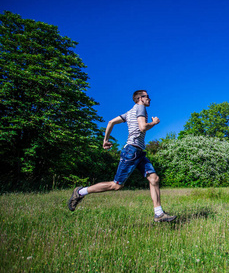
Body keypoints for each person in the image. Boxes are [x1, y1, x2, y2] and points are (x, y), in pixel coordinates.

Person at [68, 90, 176, 222]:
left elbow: (110, 122)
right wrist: (154, 122)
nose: (150, 99)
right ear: (140, 98)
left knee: (154, 179)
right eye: (147, 97)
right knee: (116, 185)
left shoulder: (130, 112)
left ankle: (159, 214)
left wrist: (105, 140)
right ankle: (80, 192)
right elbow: (142, 127)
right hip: (131, 152)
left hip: (139, 152)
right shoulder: (140, 107)